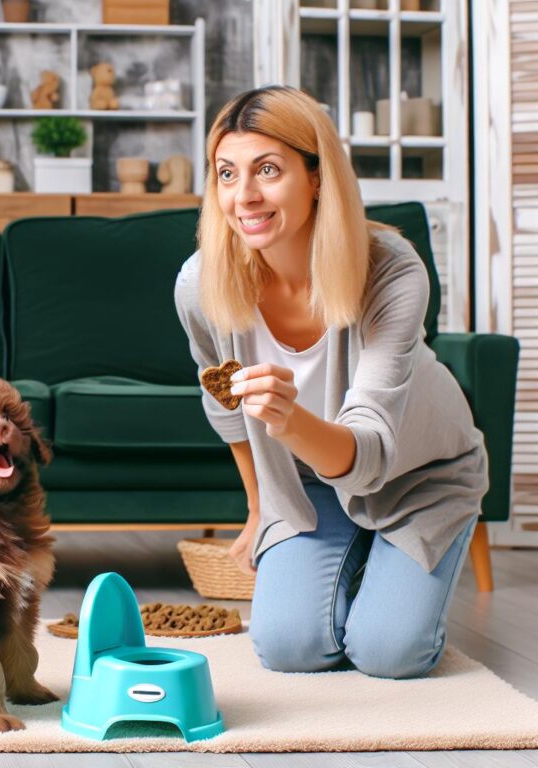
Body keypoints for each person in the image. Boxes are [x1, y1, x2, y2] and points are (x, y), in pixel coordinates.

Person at [174, 85, 488, 679]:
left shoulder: (391, 271)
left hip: (417, 475)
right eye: (226, 173)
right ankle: (362, 561)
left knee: (388, 654)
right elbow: (224, 406)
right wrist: (260, 506)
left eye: (268, 170)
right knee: (289, 649)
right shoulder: (202, 284)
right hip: (310, 484)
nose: (244, 197)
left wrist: (290, 420)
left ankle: (392, 567)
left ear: (316, 175)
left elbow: (370, 449)